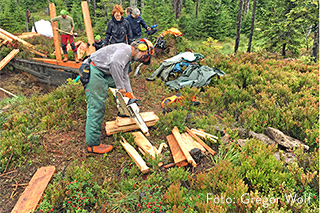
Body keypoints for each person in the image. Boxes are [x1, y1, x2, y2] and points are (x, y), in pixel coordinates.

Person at [85, 39, 154, 154]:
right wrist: (120, 88)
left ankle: (123, 110)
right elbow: (114, 65)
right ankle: (93, 144)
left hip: (101, 71)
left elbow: (124, 77)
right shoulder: (126, 50)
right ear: (141, 48)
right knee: (97, 107)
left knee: (121, 84)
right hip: (94, 70)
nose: (141, 59)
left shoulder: (128, 56)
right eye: (143, 56)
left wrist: (130, 96)